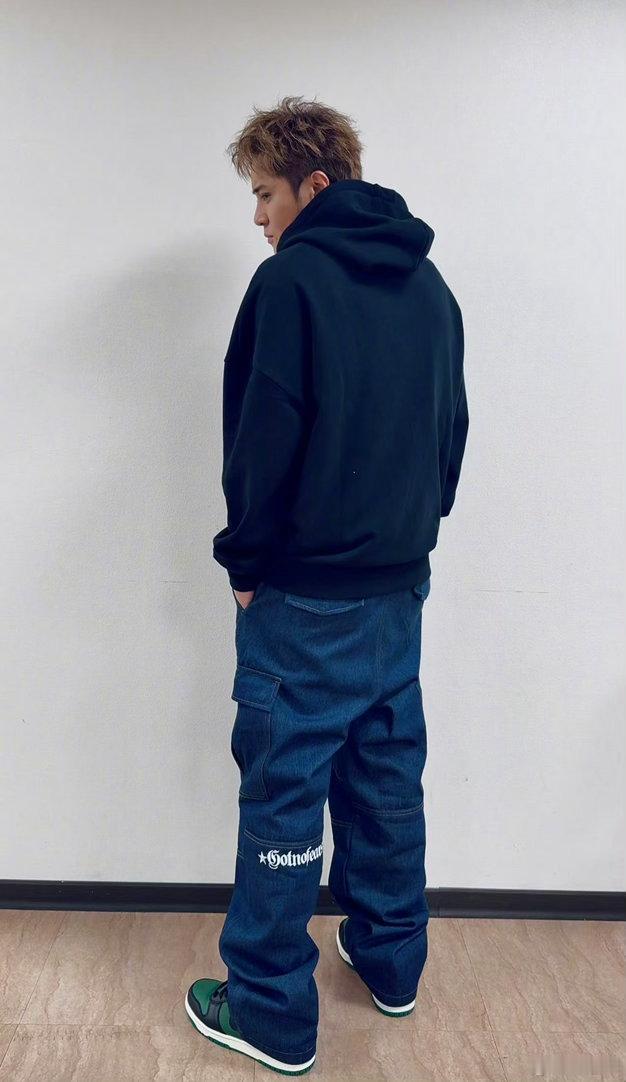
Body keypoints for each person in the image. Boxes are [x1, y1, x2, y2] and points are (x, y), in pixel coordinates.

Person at [185, 94, 469, 1075]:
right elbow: (450, 431)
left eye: (265, 194)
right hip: (397, 589)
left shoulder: (291, 284)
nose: (257, 217)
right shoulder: (428, 284)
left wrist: (246, 562)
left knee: (285, 791)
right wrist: (408, 540)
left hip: (304, 594)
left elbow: (261, 438)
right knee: (385, 778)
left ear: (313, 184)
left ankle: (269, 1010)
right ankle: (391, 960)